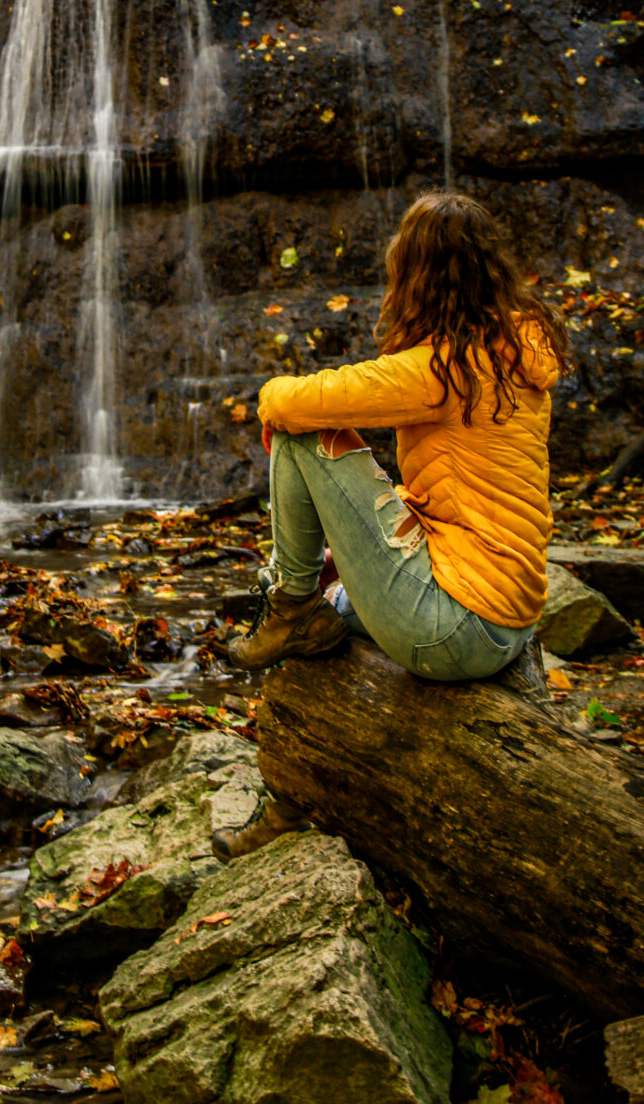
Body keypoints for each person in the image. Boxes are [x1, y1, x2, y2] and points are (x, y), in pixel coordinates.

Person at [216, 191, 568, 857]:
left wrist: (266, 404)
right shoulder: (513, 349)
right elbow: (462, 492)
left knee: (300, 436)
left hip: (454, 624)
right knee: (320, 632)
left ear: (416, 276)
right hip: (509, 612)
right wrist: (351, 548)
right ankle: (289, 799)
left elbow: (295, 400)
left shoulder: (444, 368)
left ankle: (287, 603)